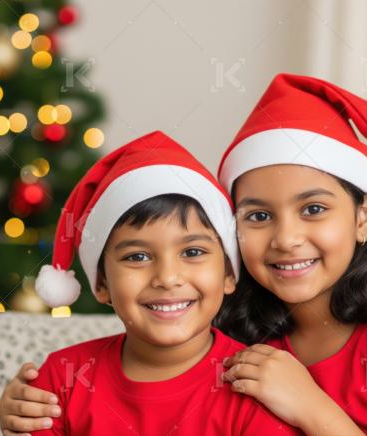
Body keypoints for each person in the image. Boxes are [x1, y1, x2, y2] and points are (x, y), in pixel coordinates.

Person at [0, 74, 367, 436]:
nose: (286, 239)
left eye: (313, 209)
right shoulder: (229, 337)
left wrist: (312, 409)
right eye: (257, 216)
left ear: (363, 216)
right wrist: (24, 408)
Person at [24, 131, 297, 435]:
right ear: (101, 283)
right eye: (137, 257)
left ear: (229, 274)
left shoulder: (255, 387)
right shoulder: (61, 381)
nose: (167, 278)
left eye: (192, 252)